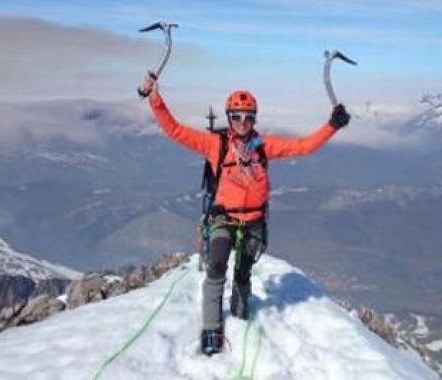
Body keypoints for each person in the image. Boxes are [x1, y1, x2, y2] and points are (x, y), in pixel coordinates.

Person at [139, 74, 350, 355]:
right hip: (224, 218)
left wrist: (332, 126)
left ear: (254, 119)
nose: (242, 123)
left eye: (248, 117)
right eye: (236, 117)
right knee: (216, 269)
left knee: (242, 273)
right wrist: (154, 97)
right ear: (228, 118)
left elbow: (303, 146)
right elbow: (175, 130)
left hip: (253, 222)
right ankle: (212, 327)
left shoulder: (264, 147)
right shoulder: (217, 145)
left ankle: (239, 316)